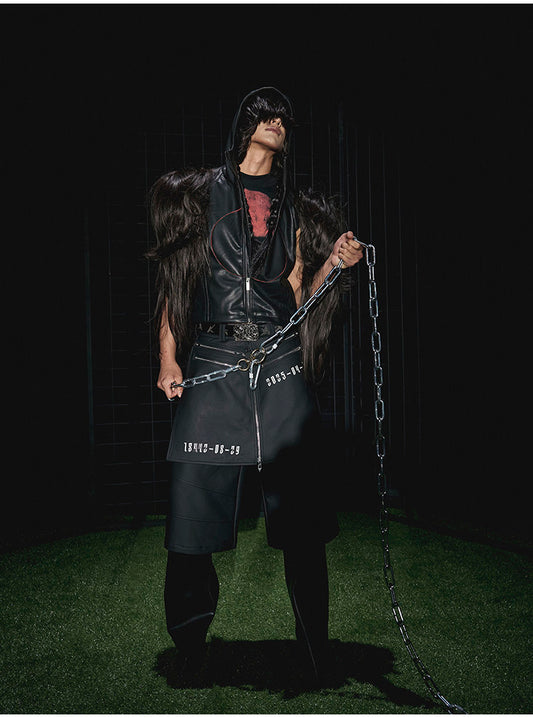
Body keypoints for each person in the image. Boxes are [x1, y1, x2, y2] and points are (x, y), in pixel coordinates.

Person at [147, 87, 363, 683]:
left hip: (279, 359)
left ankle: (315, 652)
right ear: (244, 125)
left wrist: (333, 264)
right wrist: (169, 359)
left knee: (303, 519)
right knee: (192, 519)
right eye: (265, 114)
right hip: (214, 355)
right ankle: (190, 649)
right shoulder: (202, 195)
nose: (276, 122)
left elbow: (298, 292)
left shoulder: (293, 207)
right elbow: (175, 285)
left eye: (284, 118)